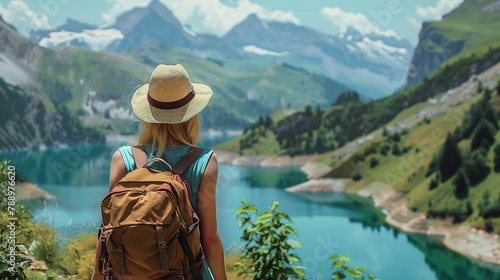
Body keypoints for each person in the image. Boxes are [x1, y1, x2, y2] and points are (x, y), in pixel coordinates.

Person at [107, 64, 227, 279]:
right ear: (192, 115)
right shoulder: (205, 161)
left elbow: (110, 230)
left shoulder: (122, 158)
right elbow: (208, 238)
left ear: (148, 115)